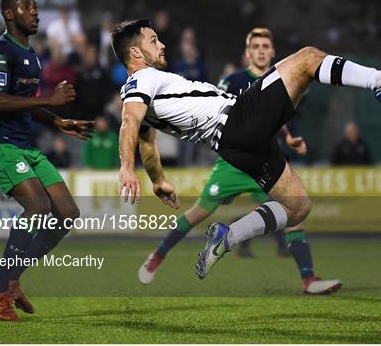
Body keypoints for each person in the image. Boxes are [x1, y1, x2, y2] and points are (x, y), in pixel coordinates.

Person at [112, 18, 381, 280]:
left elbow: (146, 145)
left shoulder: (145, 92)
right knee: (307, 59)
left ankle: (228, 237)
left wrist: (157, 181)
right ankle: (379, 80)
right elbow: (129, 123)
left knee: (299, 207)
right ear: (136, 52)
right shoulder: (143, 80)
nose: (162, 44)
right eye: (154, 41)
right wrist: (126, 168)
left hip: (236, 145)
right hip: (237, 121)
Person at [138, 28, 342, 294]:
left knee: (296, 212)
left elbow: (271, 119)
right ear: (248, 53)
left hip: (263, 156)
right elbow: (215, 114)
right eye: (255, 46)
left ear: (272, 52)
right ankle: (158, 255)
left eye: (265, 46)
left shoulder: (279, 79)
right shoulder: (232, 80)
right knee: (199, 212)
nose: (260, 51)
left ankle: (308, 280)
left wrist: (289, 137)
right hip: (232, 163)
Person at [0, 0, 94, 321]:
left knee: (67, 213)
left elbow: (25, 105)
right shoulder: (0, 52)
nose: (35, 11)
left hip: (23, 144)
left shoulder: (31, 55)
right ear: (9, 15)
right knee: (39, 207)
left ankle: (9, 279)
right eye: (27, 7)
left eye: (36, 6)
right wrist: (49, 102)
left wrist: (59, 121)